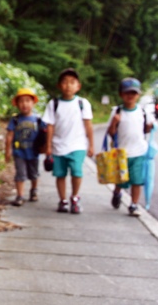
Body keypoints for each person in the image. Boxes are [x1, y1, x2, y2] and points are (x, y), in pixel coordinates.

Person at [43, 68, 94, 214]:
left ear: (78, 86)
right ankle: (63, 200)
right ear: (59, 85)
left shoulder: (83, 103)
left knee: (77, 172)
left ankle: (75, 197)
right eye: (65, 82)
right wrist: (48, 146)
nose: (68, 85)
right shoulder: (54, 104)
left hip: (78, 145)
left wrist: (91, 145)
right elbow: (50, 126)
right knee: (60, 174)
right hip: (58, 146)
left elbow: (88, 125)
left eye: (72, 82)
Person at [106, 78, 154, 217]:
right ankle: (117, 192)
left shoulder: (143, 112)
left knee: (137, 181)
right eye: (127, 93)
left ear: (138, 95)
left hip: (139, 152)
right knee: (120, 180)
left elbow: (146, 130)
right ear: (121, 94)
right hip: (121, 153)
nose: (130, 96)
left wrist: (151, 126)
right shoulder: (117, 111)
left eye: (133, 93)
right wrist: (114, 123)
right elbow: (111, 133)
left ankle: (133, 204)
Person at [5, 88, 45, 206]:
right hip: (19, 152)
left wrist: (46, 148)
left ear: (33, 103)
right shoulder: (15, 119)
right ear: (17, 104)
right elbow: (9, 135)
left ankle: (34, 190)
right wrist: (8, 151)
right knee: (20, 174)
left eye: (28, 101)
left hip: (33, 152)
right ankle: (20, 195)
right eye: (21, 101)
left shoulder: (37, 120)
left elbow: (46, 133)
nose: (24, 104)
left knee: (34, 173)